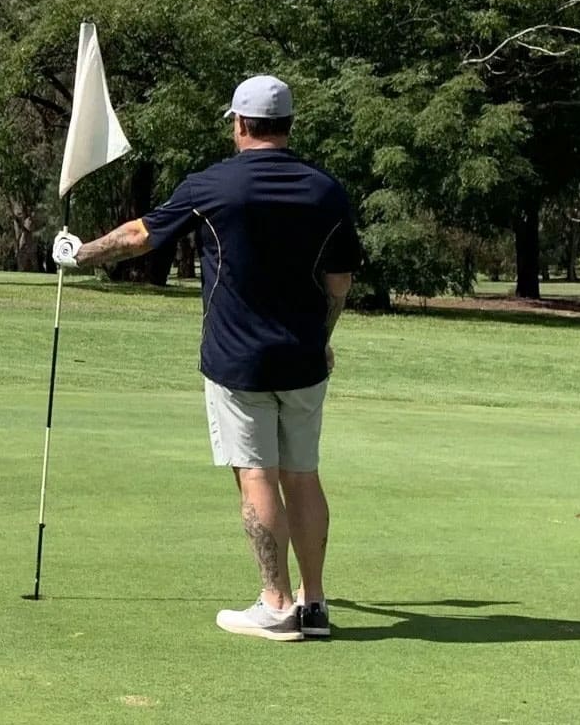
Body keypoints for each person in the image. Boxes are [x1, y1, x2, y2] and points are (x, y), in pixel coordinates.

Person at [53, 75, 360, 642]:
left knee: (256, 475)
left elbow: (139, 236)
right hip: (304, 360)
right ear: (289, 126)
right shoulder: (327, 190)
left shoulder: (213, 184)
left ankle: (276, 603)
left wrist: (78, 254)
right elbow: (338, 282)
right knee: (303, 475)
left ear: (239, 124)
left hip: (237, 361)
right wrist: (322, 336)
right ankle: (314, 605)